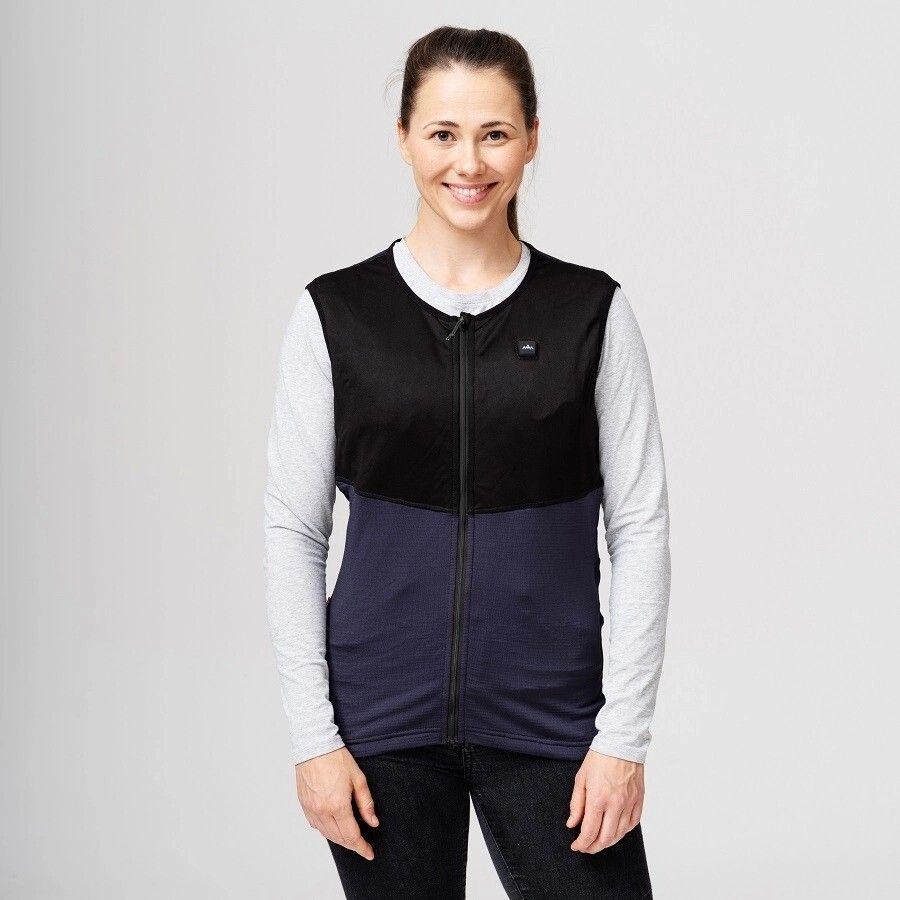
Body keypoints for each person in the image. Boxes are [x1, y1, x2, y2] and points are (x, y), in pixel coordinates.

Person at [264, 25, 670, 900]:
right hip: (380, 728)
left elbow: (640, 527)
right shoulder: (338, 315)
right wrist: (314, 740)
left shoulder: (590, 313)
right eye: (443, 133)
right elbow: (294, 530)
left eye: (495, 133)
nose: (469, 162)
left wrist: (623, 737)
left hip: (553, 720)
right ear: (404, 137)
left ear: (531, 139)